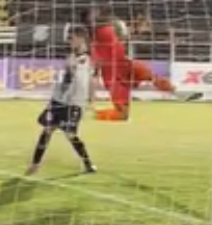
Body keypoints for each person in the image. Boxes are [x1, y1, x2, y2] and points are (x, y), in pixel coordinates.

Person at [82, 9, 201, 121]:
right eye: (92, 16)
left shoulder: (107, 27)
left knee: (150, 75)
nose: (96, 17)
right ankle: (96, 114)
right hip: (114, 76)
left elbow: (123, 35)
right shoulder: (94, 38)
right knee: (122, 115)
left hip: (126, 65)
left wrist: (131, 28)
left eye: (96, 15)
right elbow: (97, 60)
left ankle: (177, 93)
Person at [27, 27, 96, 176]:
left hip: (74, 103)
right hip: (59, 100)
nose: (69, 41)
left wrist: (91, 100)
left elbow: (91, 80)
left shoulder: (88, 59)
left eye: (72, 38)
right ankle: (35, 164)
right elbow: (68, 77)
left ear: (81, 39)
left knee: (71, 135)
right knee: (47, 130)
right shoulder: (71, 56)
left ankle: (88, 163)